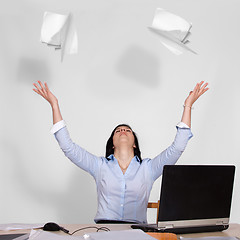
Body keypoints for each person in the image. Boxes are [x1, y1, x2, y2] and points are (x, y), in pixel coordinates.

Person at [33, 80, 209, 224]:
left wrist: (187, 106)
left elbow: (177, 147)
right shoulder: (98, 165)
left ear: (134, 144)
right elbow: (68, 147)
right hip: (104, 231)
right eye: (118, 131)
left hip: (137, 232)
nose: (123, 131)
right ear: (112, 144)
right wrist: (54, 105)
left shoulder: (149, 168)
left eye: (127, 130)